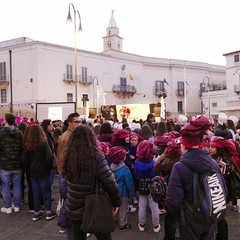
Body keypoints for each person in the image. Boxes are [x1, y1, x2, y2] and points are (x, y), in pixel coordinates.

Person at [167, 115, 227, 240]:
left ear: (184, 146)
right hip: (210, 214)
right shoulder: (213, 163)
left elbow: (174, 201)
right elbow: (223, 190)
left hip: (189, 218)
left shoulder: (179, 168)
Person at [62, 125, 121, 240]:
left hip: (74, 205)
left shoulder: (69, 155)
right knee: (103, 236)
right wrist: (116, 201)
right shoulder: (97, 156)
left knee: (78, 237)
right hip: (95, 205)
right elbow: (109, 182)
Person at [22, 124, 56, 221]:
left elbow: (24, 159)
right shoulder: (43, 143)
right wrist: (48, 167)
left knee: (35, 192)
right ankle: (48, 212)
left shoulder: (28, 144)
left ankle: (36, 212)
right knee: (46, 191)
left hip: (33, 171)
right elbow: (49, 156)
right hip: (43, 171)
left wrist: (28, 168)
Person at [56, 112, 80, 236]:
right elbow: (65, 158)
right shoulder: (68, 137)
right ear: (69, 123)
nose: (78, 124)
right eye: (76, 122)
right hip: (68, 175)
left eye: (79, 121)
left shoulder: (70, 135)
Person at [134, 140, 161, 233]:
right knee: (154, 206)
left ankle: (142, 224)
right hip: (152, 187)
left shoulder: (137, 163)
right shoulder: (154, 162)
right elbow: (155, 175)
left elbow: (136, 175)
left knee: (141, 206)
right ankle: (156, 225)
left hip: (142, 187)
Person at [0, 113, 23, 214]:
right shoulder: (19, 132)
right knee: (17, 185)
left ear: (6, 120)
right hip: (17, 164)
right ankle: (17, 206)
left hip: (5, 164)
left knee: (5, 185)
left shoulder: (1, 132)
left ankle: (8, 207)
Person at [108, 146, 136, 232]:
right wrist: (132, 194)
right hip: (122, 193)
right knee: (123, 209)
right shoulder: (125, 169)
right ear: (121, 159)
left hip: (111, 192)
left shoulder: (109, 167)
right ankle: (123, 224)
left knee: (111, 207)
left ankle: (111, 222)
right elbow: (129, 183)